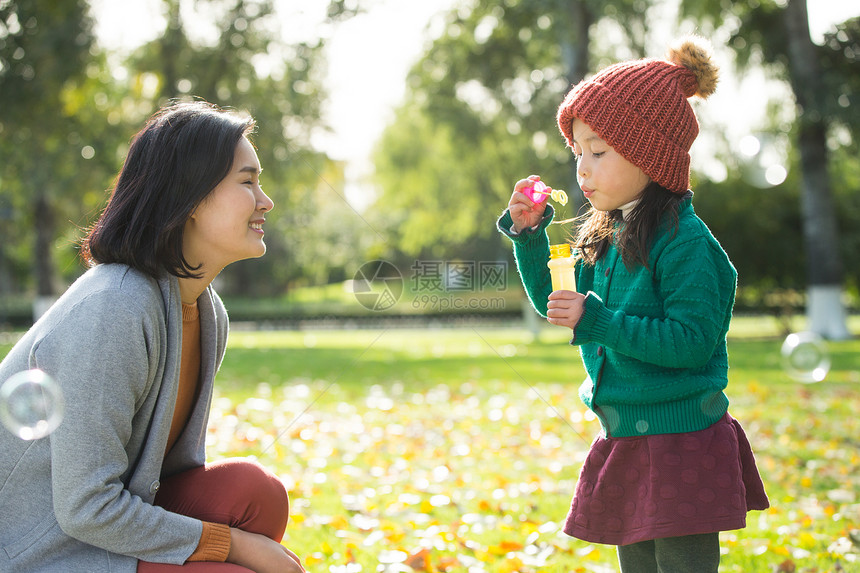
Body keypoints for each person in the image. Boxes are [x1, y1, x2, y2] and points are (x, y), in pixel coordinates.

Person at [497, 36, 769, 572]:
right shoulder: (608, 235)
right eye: (579, 153)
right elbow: (561, 302)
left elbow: (692, 343)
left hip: (684, 441)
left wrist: (598, 319)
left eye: (599, 151)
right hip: (626, 436)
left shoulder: (685, 242)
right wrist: (529, 241)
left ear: (650, 153)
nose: (583, 169)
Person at [0, 100, 305, 573]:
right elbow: (85, 507)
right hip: (40, 547)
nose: (265, 201)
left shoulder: (206, 311)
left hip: (103, 525)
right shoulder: (114, 306)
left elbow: (166, 475)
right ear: (190, 198)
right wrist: (232, 546)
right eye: (247, 182)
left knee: (255, 492)